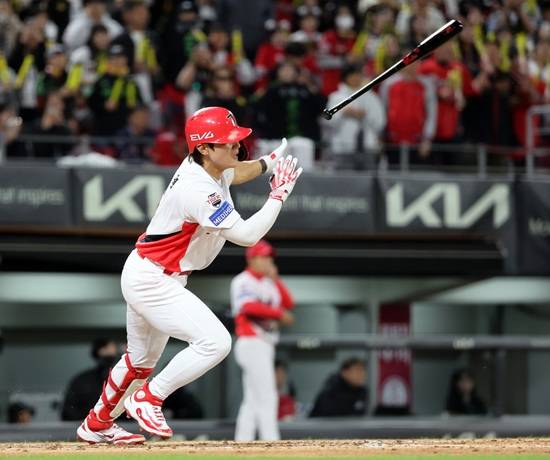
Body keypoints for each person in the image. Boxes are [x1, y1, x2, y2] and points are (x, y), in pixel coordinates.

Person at [76, 106, 303, 445]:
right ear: (204, 148)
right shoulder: (198, 189)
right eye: (227, 141)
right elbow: (247, 236)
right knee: (215, 342)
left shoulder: (210, 166)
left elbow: (236, 172)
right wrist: (278, 195)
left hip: (150, 271)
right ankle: (149, 398)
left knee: (139, 362)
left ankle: (96, 424)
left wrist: (267, 164)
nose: (237, 145)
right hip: (154, 278)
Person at [231, 239, 295, 440]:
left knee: (253, 398)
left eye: (269, 258)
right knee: (267, 395)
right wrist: (278, 314)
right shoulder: (243, 280)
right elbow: (248, 306)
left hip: (265, 343)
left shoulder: (268, 282)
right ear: (252, 259)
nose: (268, 261)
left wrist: (276, 279)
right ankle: (271, 441)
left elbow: (289, 303)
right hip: (251, 342)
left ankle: (243, 441)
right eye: (263, 257)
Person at [61, 338, 120, 421]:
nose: (110, 353)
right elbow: (69, 411)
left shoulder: (121, 379)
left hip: (115, 425)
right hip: (88, 424)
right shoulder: (82, 380)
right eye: (106, 349)